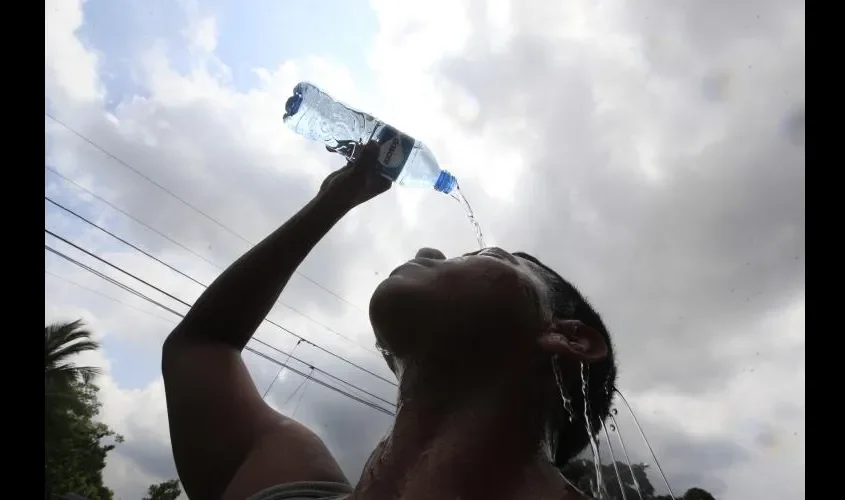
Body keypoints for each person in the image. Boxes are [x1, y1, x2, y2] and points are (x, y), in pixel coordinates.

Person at [161, 143, 617, 500]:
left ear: (569, 336)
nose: (429, 251)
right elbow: (202, 349)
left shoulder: (274, 472)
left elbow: (203, 347)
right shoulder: (291, 484)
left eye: (490, 256)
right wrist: (332, 200)